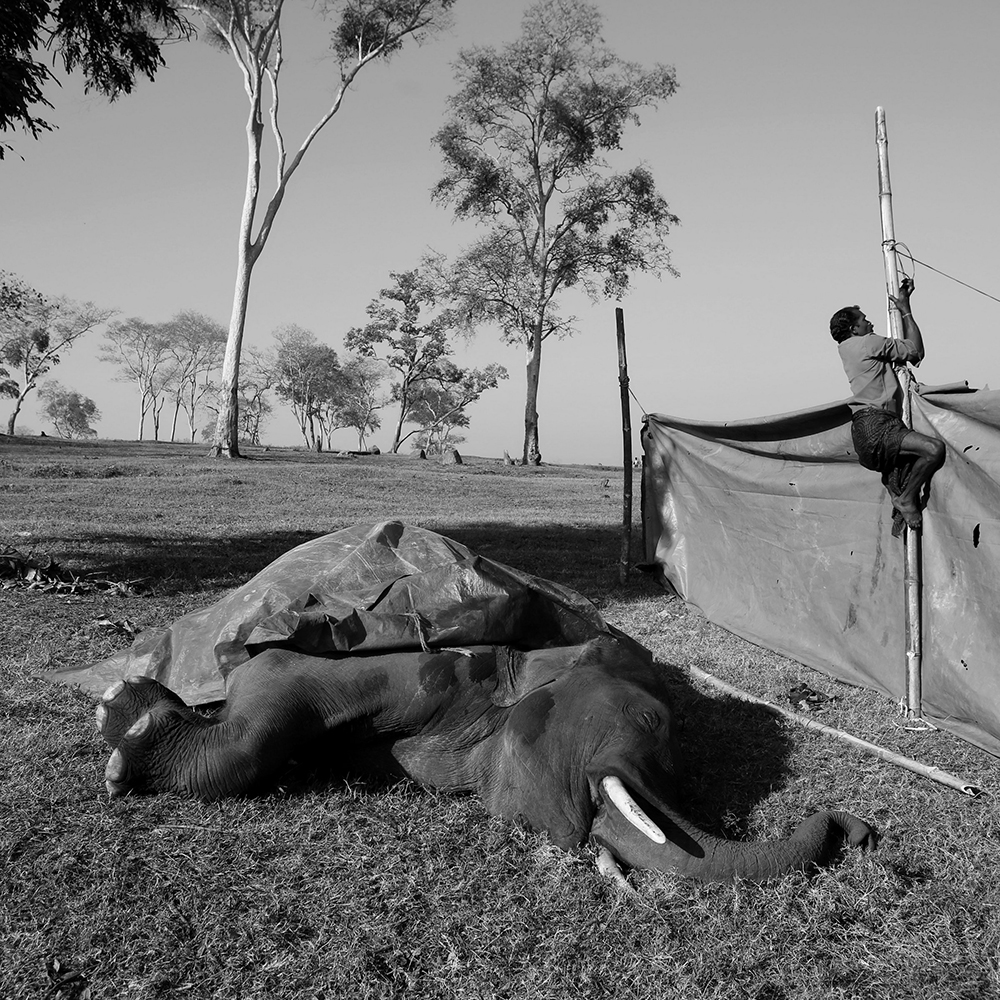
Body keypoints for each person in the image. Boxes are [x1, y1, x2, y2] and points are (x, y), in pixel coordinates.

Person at [830, 276, 945, 534]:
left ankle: (903, 499)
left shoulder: (846, 349)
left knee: (902, 473)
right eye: (863, 320)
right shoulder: (868, 342)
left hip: (863, 431)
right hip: (878, 425)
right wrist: (905, 309)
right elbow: (915, 351)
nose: (869, 323)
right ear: (853, 329)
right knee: (933, 449)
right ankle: (906, 499)